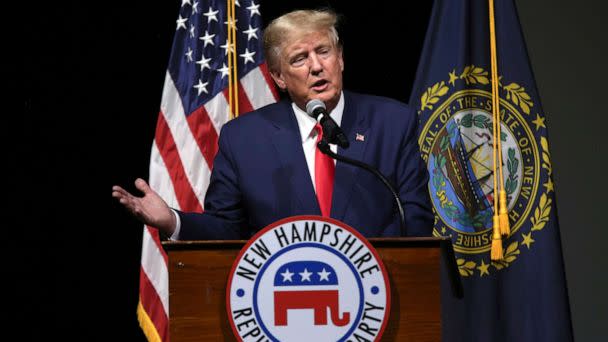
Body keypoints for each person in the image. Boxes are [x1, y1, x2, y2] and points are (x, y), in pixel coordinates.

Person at [112, 9, 433, 240]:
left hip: (379, 293)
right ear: (278, 77)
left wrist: (360, 261)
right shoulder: (243, 138)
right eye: (300, 58)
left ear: (341, 58)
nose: (317, 67)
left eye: (324, 52)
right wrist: (172, 221)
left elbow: (414, 216)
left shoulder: (393, 121)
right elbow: (227, 227)